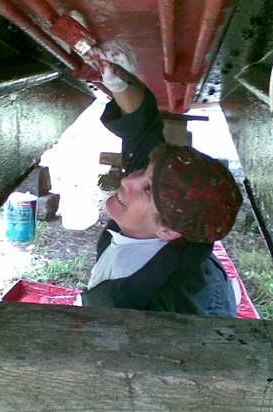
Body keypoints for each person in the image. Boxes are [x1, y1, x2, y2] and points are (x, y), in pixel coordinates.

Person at [76, 41, 243, 317]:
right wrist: (121, 82)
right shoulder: (172, 211)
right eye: (144, 172)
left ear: (167, 232)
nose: (128, 180)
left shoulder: (144, 306)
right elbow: (142, 126)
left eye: (146, 190)